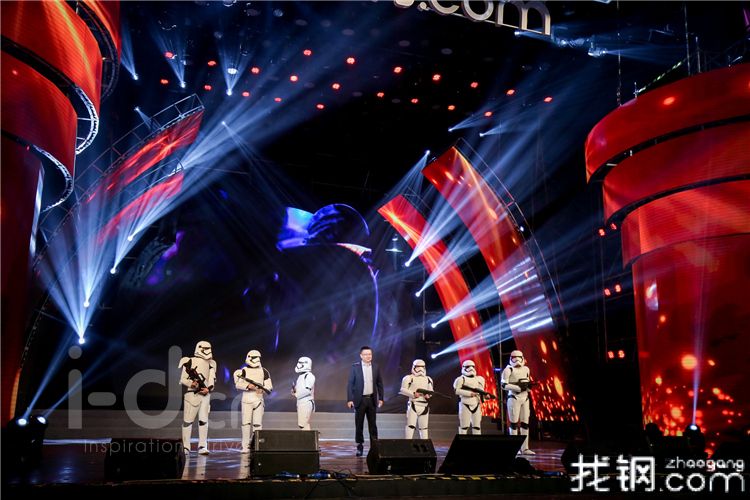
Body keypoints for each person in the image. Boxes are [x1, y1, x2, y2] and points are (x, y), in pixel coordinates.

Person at [178, 340, 217, 455]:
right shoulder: (189, 361)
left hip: (205, 395)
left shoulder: (211, 363)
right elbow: (183, 379)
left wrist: (208, 389)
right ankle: (186, 447)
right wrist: (192, 384)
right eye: (205, 349)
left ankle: (202, 446)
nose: (207, 351)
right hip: (192, 394)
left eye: (208, 348)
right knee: (188, 421)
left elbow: (211, 379)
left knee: (204, 421)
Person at [346, 345, 384, 457]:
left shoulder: (376, 367)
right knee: (359, 425)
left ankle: (374, 447)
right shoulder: (355, 367)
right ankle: (360, 446)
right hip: (360, 400)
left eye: (370, 354)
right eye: (366, 354)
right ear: (361, 356)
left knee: (373, 425)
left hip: (371, 400)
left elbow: (379, 383)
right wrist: (350, 399)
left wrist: (381, 398)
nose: (368, 356)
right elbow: (350, 384)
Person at [234, 349, 273, 453]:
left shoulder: (264, 371)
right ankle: (245, 446)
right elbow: (238, 384)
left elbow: (269, 386)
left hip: (258, 400)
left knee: (257, 424)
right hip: (247, 400)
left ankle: (257, 445)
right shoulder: (244, 371)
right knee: (246, 424)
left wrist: (263, 390)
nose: (257, 360)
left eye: (258, 357)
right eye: (255, 357)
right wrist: (248, 386)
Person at [500, 350, 535, 454]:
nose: (517, 360)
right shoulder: (508, 370)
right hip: (513, 397)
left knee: (525, 423)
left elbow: (527, 381)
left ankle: (525, 448)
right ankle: (514, 448)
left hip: (525, 398)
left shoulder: (526, 369)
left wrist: (528, 388)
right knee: (514, 423)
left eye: (519, 357)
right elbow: (503, 385)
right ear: (511, 358)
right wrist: (517, 388)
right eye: (514, 357)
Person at [399, 359, 433, 439]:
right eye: (418, 367)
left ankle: (425, 444)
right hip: (413, 404)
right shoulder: (408, 378)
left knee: (424, 428)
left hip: (424, 405)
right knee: (410, 426)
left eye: (422, 367)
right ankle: (408, 443)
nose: (420, 369)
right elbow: (403, 390)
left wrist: (428, 395)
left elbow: (431, 391)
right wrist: (413, 394)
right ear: (414, 367)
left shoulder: (428, 379)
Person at [453, 359, 484, 435]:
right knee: (464, 427)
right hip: (465, 403)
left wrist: (485, 396)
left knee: (477, 427)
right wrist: (469, 393)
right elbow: (457, 391)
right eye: (468, 367)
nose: (471, 368)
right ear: (464, 367)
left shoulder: (479, 379)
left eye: (472, 366)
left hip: (476, 403)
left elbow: (481, 391)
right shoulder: (460, 379)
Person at [292, 356, 315, 430]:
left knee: (304, 424)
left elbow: (307, 390)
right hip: (301, 402)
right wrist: (294, 391)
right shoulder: (301, 376)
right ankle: (307, 437)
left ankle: (308, 437)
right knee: (302, 424)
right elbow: (301, 389)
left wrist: (297, 394)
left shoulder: (309, 376)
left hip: (306, 402)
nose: (298, 365)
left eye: (301, 363)